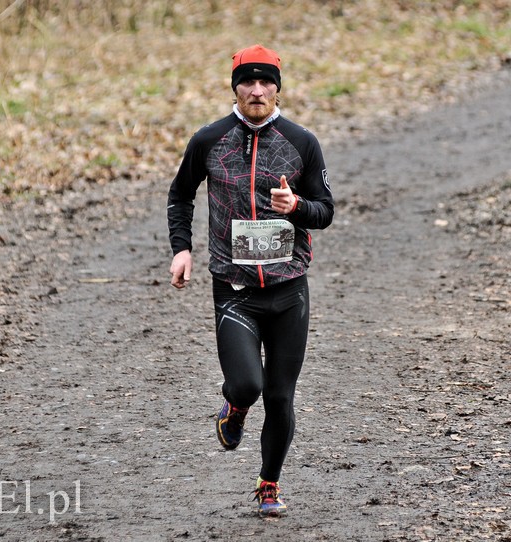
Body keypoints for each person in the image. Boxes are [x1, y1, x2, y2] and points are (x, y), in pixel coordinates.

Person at [167, 44, 334, 518]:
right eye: (247, 82)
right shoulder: (209, 139)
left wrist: (297, 207)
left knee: (280, 396)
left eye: (266, 82)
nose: (256, 90)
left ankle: (268, 484)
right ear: (235, 87)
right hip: (234, 288)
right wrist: (182, 249)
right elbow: (180, 195)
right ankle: (234, 408)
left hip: (288, 290)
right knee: (246, 384)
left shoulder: (302, 142)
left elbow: (325, 211)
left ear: (278, 88)